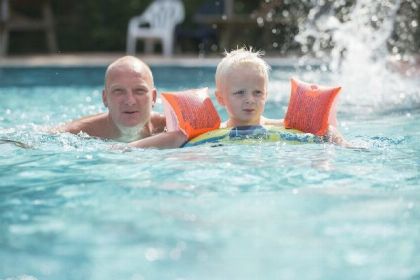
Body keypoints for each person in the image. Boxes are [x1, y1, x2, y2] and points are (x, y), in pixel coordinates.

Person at [214, 48, 349, 146]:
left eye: (257, 92)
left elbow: (326, 129)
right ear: (221, 98)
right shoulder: (214, 131)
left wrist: (340, 142)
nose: (250, 99)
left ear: (266, 95)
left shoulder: (279, 126)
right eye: (240, 92)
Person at [58, 56, 166, 142]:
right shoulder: (77, 133)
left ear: (154, 97)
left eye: (139, 91)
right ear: (105, 98)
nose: (130, 101)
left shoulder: (169, 126)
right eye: (119, 91)